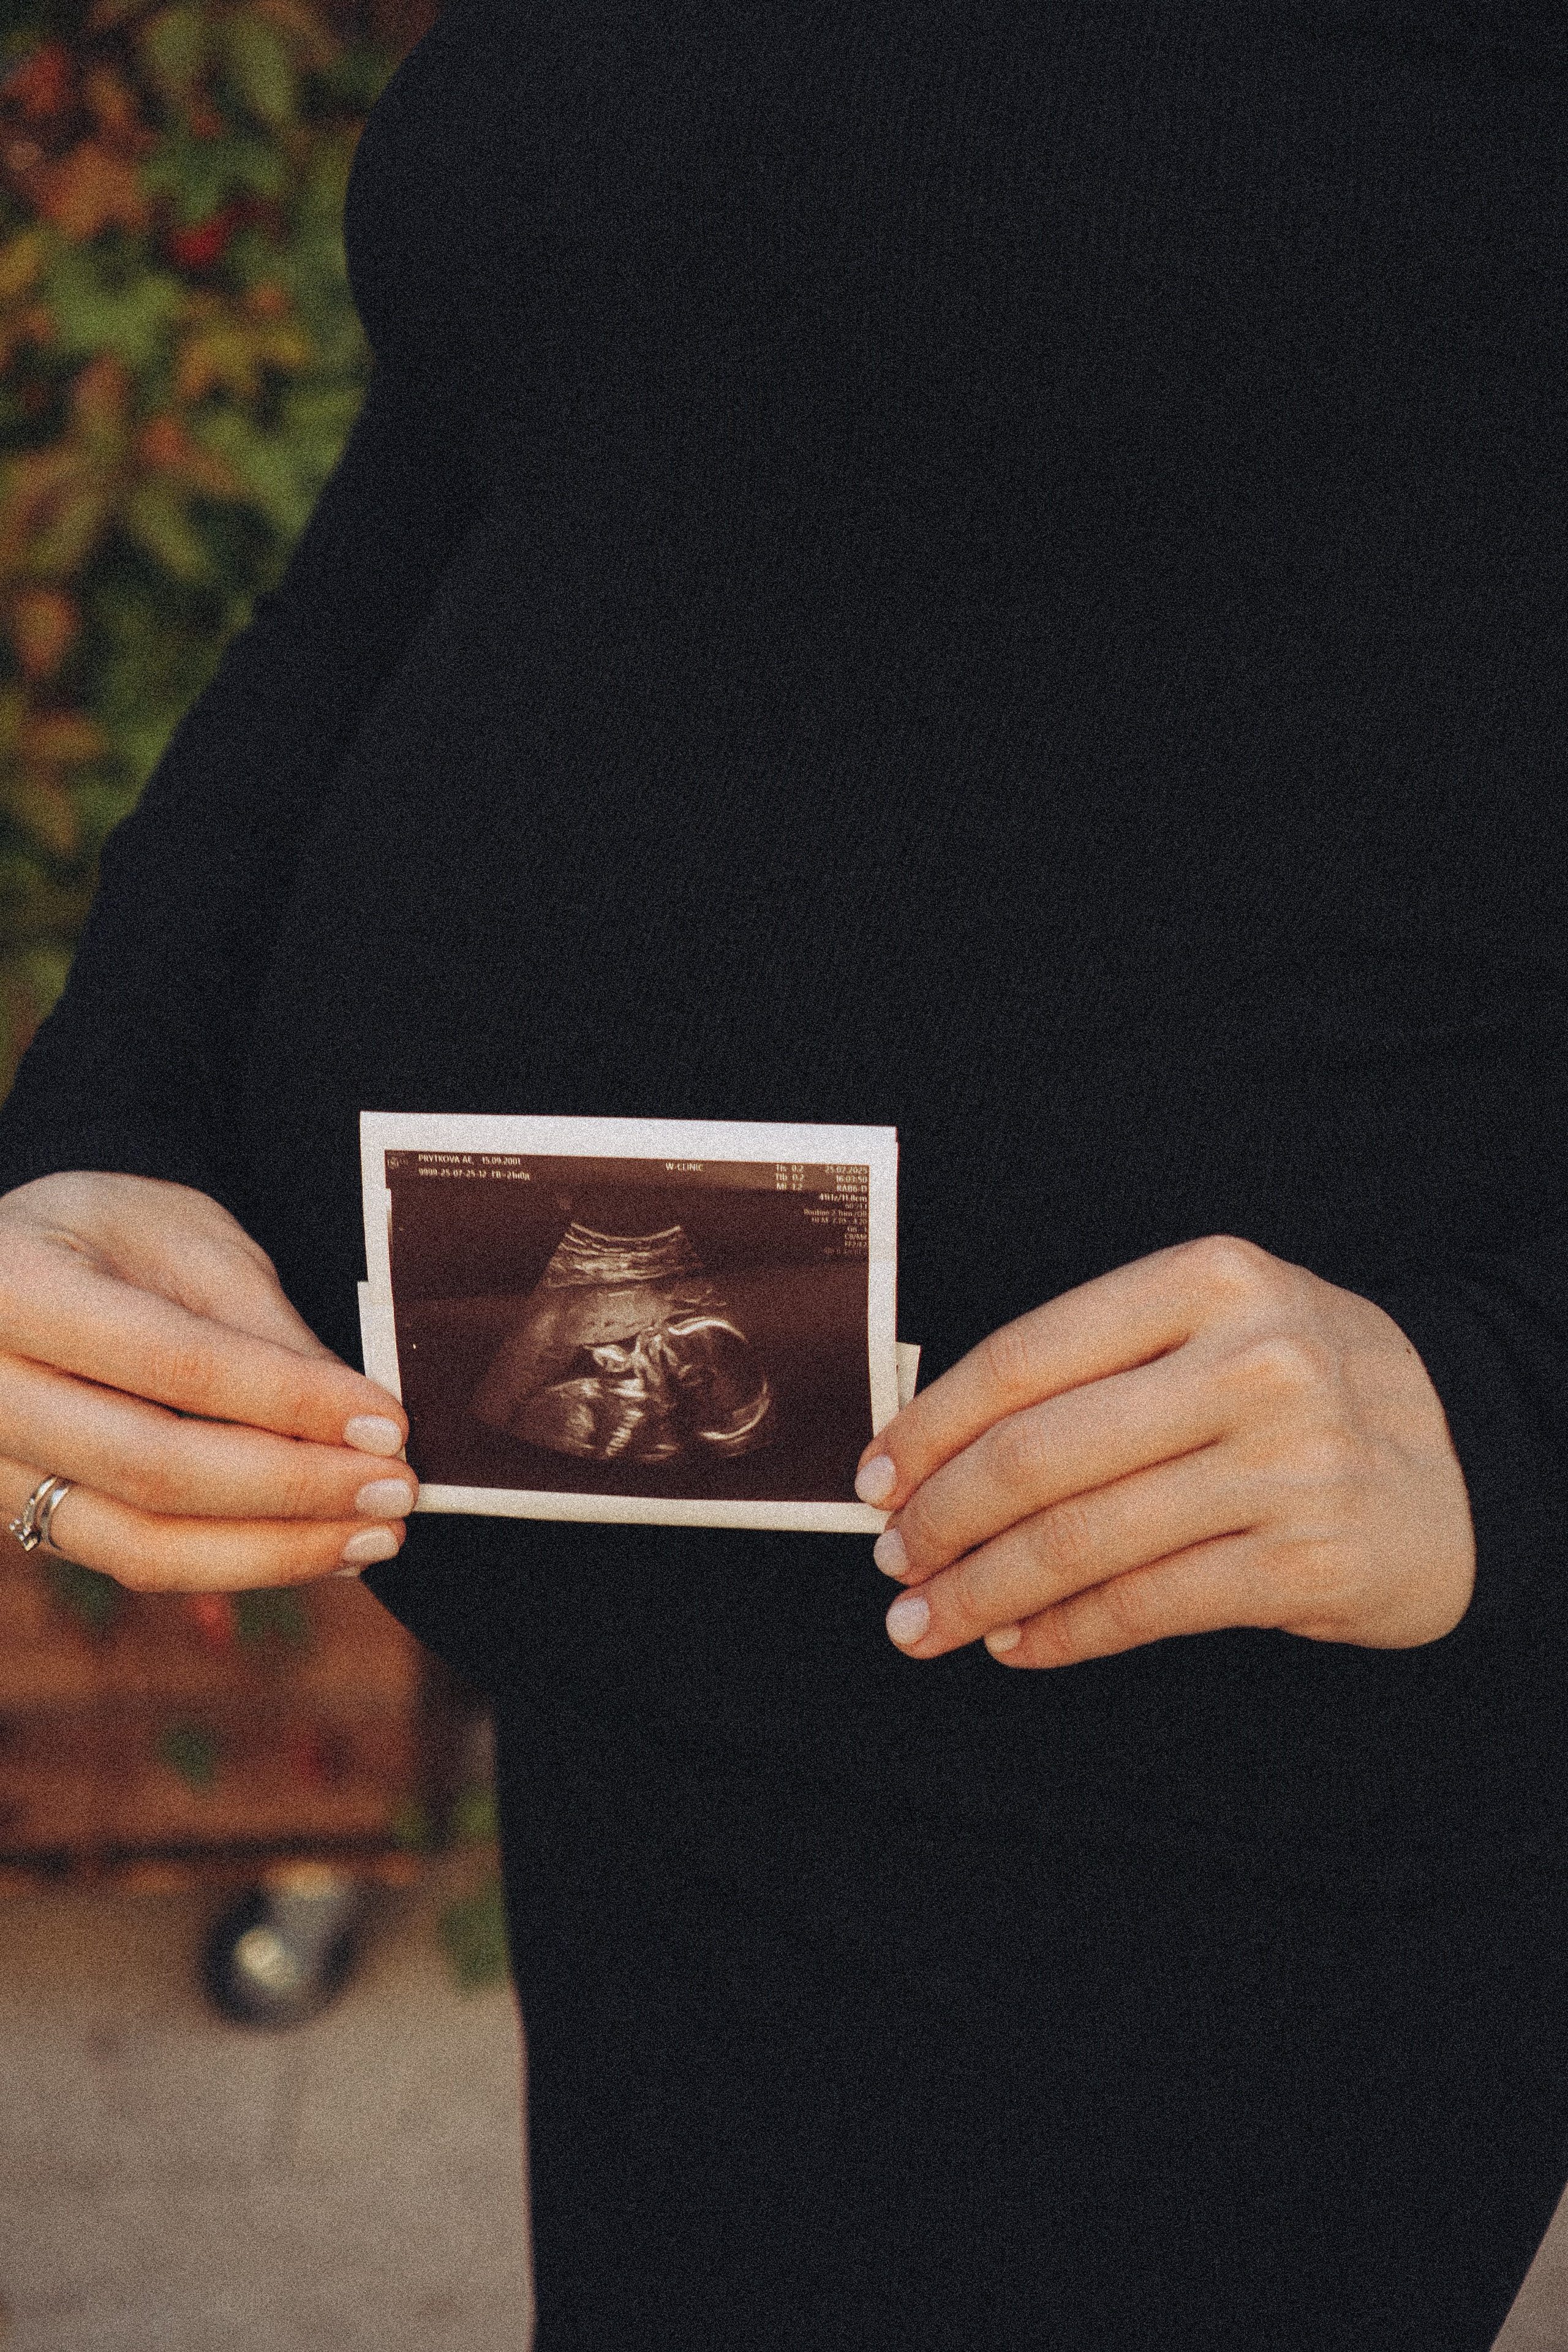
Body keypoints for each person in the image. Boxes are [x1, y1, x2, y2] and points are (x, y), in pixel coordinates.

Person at [2, 2, 1566, 2343]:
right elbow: (445, 494)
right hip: (653, 1739)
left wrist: (1528, 1417)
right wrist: (100, 1119)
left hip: (1199, 1793)